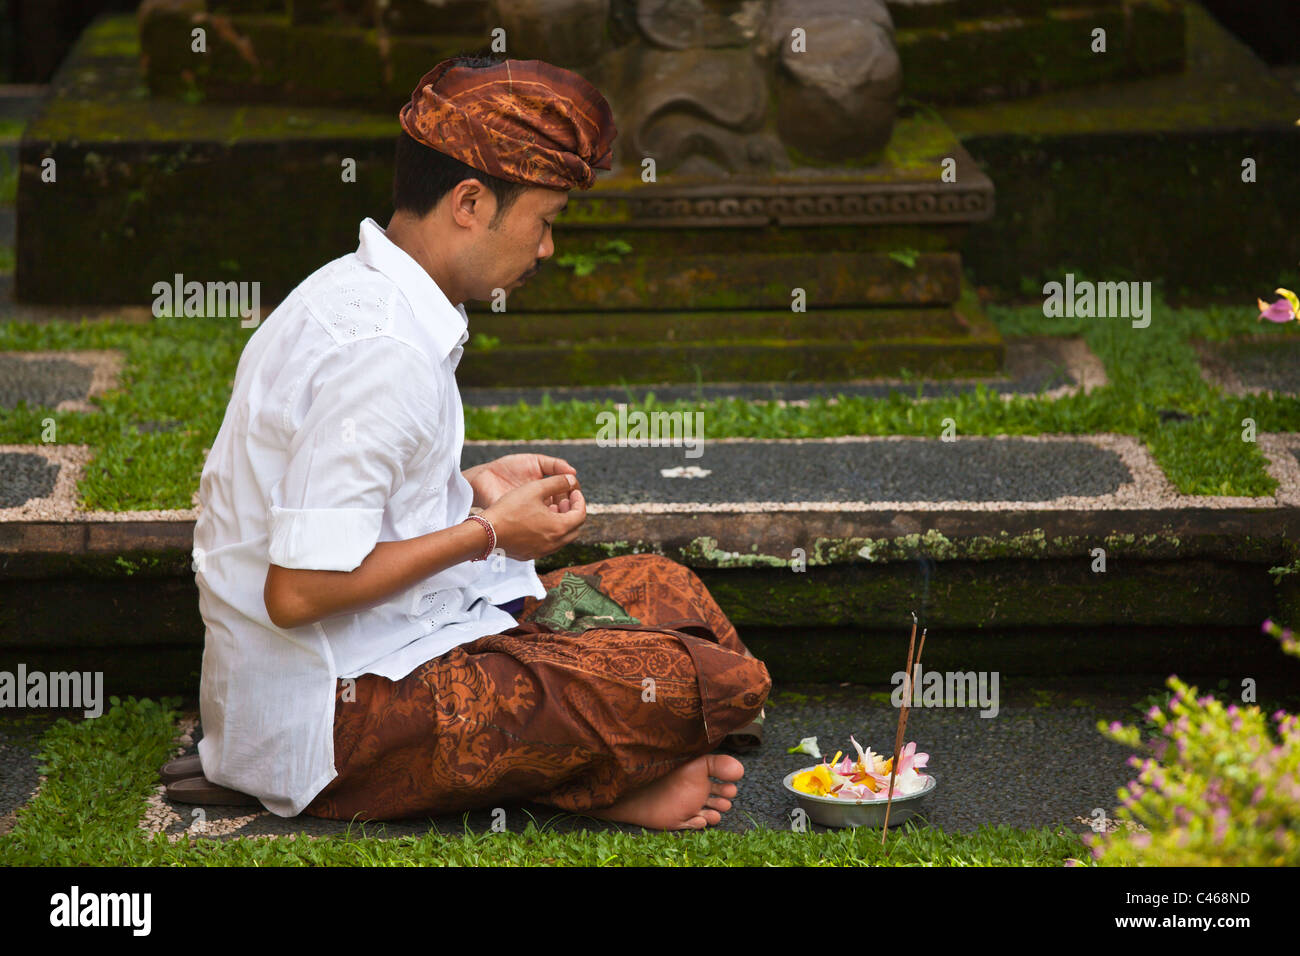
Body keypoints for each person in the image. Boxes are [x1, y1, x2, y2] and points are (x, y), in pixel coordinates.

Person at [176, 55, 771, 831]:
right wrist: (488, 532)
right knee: (679, 678)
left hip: (405, 645)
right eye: (544, 221)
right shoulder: (380, 349)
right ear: (468, 201)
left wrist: (471, 485)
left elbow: (347, 501)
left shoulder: (362, 295)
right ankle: (616, 784)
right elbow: (298, 593)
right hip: (340, 715)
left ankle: (642, 756)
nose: (547, 249)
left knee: (667, 592)